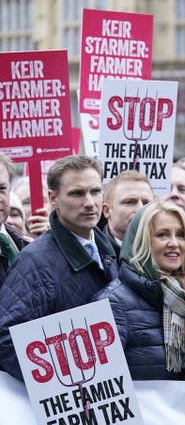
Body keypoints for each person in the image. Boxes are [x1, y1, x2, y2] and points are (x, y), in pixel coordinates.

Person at [0, 155, 118, 380]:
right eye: (77, 193)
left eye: (95, 191)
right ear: (53, 199)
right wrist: (71, 378)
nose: (90, 202)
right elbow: (8, 340)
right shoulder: (35, 262)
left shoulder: (111, 252)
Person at [93, 201, 185, 380]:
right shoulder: (110, 303)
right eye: (162, 235)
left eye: (180, 235)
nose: (174, 243)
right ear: (141, 241)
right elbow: (99, 385)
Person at [101, 170, 155, 258]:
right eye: (129, 202)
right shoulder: (94, 255)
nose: (140, 209)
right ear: (107, 211)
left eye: (146, 203)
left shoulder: (165, 253)